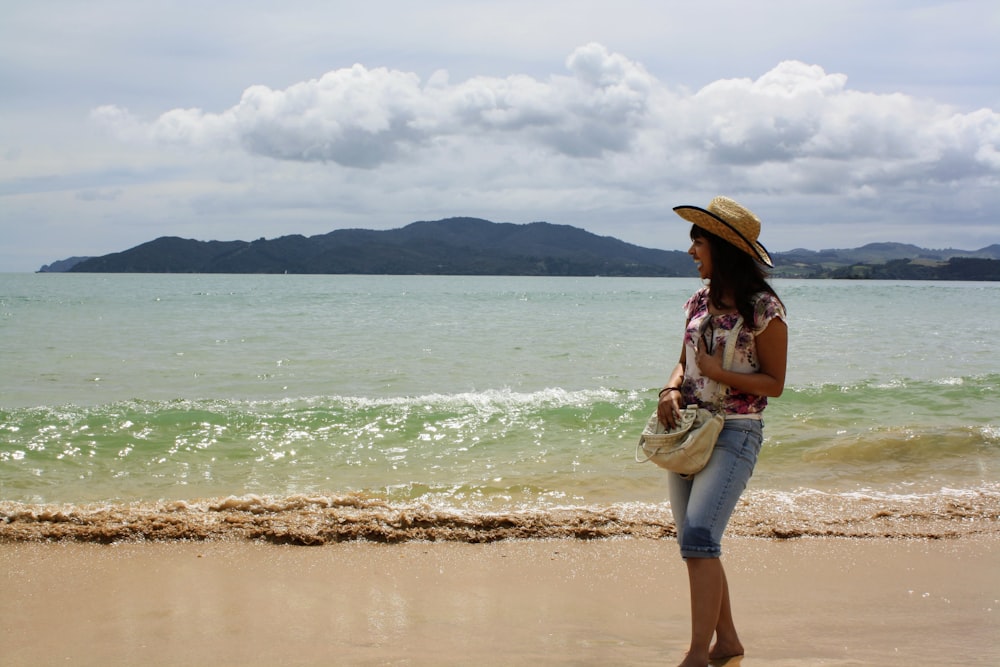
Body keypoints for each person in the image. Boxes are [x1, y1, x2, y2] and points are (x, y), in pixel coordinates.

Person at [656, 196, 788, 667]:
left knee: (698, 538)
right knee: (696, 542)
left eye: (698, 241)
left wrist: (719, 371)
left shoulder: (763, 308)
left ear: (722, 249)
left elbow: (775, 383)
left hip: (736, 431)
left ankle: (695, 654)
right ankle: (726, 640)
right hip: (687, 429)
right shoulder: (697, 301)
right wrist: (668, 390)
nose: (692, 251)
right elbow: (683, 360)